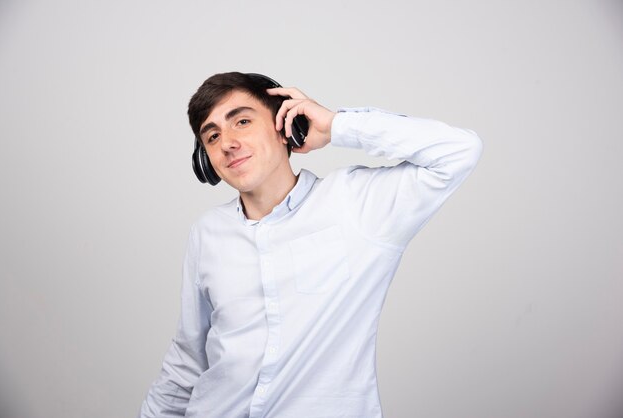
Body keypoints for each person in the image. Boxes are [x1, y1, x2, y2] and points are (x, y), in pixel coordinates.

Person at [139, 72, 482, 418]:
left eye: (241, 121)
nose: (227, 142)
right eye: (212, 136)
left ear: (284, 124)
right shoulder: (207, 233)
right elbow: (187, 361)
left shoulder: (355, 204)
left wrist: (337, 126)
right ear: (206, 160)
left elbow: (459, 151)